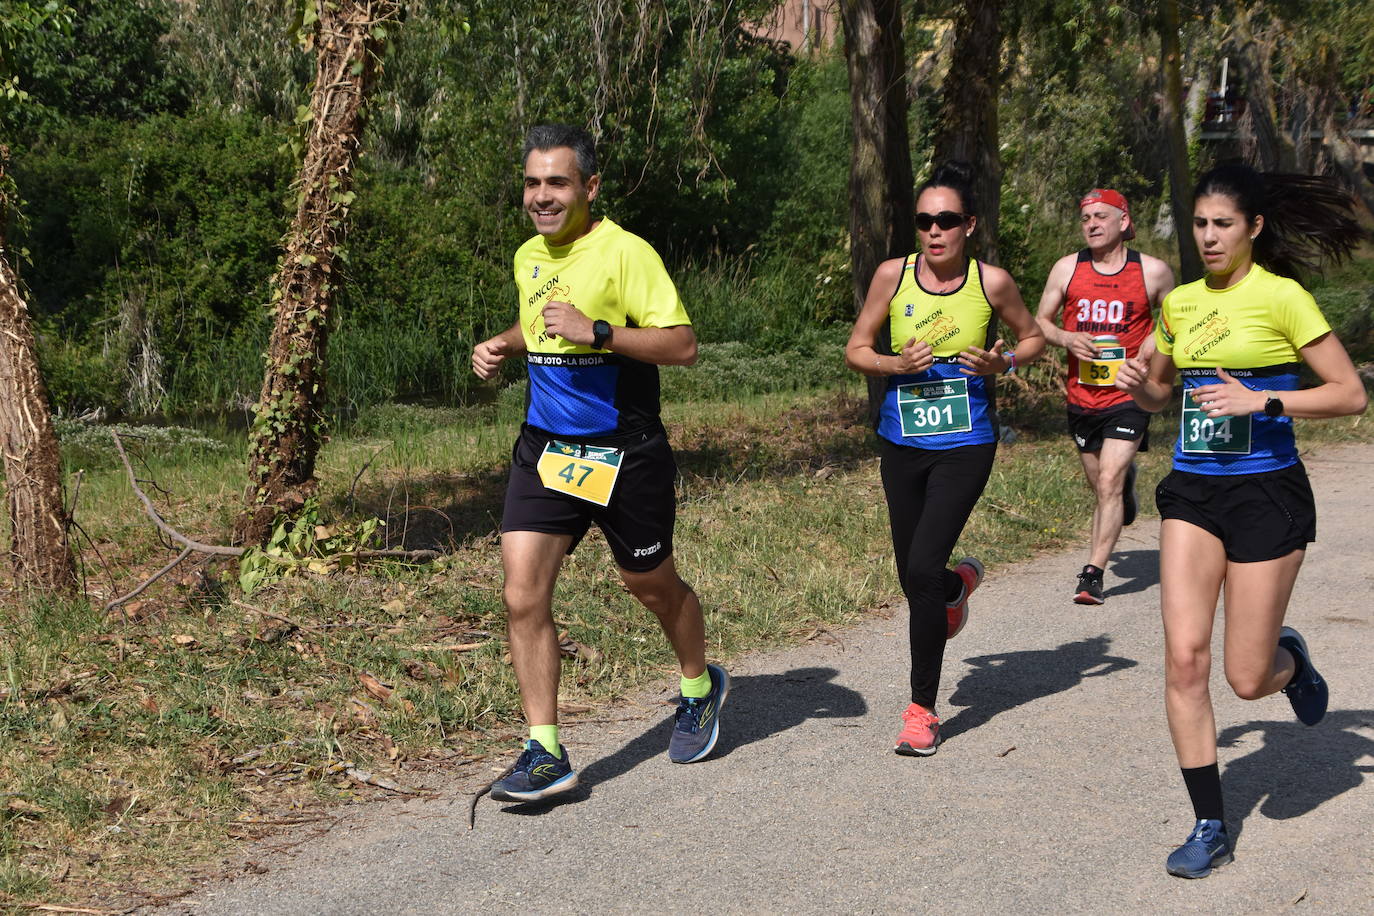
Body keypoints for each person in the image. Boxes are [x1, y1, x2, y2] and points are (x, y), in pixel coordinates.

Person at [1115, 163, 1366, 878]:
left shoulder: (1283, 299)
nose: (1210, 236)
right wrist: (1146, 385)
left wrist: (1267, 403)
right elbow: (1164, 396)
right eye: (1200, 224)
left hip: (1267, 495)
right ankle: (1210, 823)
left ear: (1253, 227)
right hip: (1195, 493)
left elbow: (1350, 396)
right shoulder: (1183, 302)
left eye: (1223, 224)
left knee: (1247, 678)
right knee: (1185, 659)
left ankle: (1291, 662)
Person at [471, 124, 728, 803]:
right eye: (532, 183)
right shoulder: (529, 255)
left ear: (589, 186)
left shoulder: (626, 254)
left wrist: (601, 333)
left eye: (557, 182)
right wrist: (501, 345)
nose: (542, 196)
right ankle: (544, 750)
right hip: (546, 448)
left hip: (625, 451)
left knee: (649, 584)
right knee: (522, 593)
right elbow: (539, 323)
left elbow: (683, 346)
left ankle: (700, 685)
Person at [844, 161, 1045, 756]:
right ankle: (955, 589)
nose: (934, 231)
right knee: (916, 576)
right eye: (925, 221)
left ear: (969, 225)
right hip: (901, 442)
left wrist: (1003, 364)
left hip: (966, 444)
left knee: (923, 566)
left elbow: (1032, 338)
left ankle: (921, 710)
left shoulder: (993, 283)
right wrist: (892, 365)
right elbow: (857, 348)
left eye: (947, 221)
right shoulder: (891, 275)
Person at [1035, 189, 1175, 604]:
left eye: (1101, 216)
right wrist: (1066, 338)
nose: (1092, 224)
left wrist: (1148, 350)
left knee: (1109, 479)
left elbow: (1175, 320)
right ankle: (1126, 486)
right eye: (1086, 218)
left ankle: (1092, 573)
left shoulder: (1153, 272)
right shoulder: (1066, 269)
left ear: (1123, 221)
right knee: (1101, 483)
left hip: (1128, 393)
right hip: (1081, 395)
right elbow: (1039, 321)